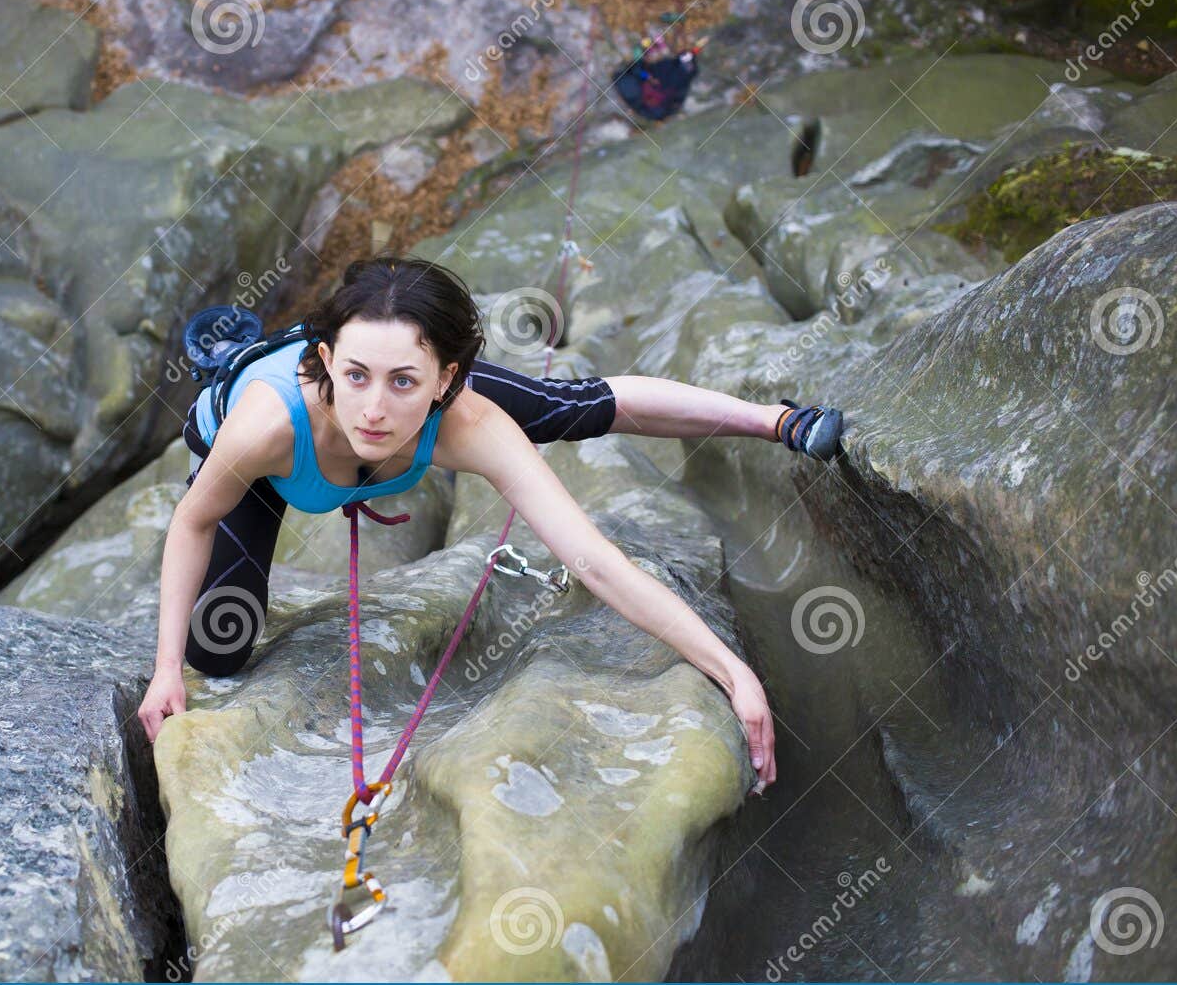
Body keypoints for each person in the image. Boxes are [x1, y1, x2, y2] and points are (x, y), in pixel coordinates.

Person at [138, 257, 845, 797]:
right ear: (327, 361)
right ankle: (230, 356)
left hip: (407, 406)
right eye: (356, 375)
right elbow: (191, 522)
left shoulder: (467, 419)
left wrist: (731, 670)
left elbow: (593, 562)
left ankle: (775, 418)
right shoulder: (262, 427)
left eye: (404, 381)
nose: (375, 409)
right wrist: (167, 669)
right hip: (268, 460)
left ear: (447, 377)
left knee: (567, 407)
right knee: (218, 652)